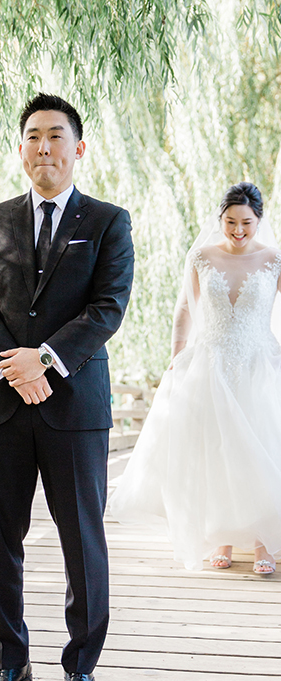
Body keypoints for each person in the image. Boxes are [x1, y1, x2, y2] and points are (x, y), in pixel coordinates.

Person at [0, 93, 134, 681]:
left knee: (82, 541)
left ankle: (81, 667)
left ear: (77, 147)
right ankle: (10, 663)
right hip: (4, 407)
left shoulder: (109, 222)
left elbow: (106, 307)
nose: (44, 147)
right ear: (22, 147)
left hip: (75, 409)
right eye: (33, 136)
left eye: (56, 136)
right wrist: (17, 368)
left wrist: (47, 360)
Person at [110, 181, 281, 575]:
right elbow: (185, 309)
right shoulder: (202, 256)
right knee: (216, 450)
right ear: (220, 219)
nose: (238, 230)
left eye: (246, 223)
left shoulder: (273, 258)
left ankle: (261, 544)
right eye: (230, 222)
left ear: (260, 221)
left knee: (258, 448)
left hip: (258, 363)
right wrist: (177, 357)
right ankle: (219, 536)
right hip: (211, 361)